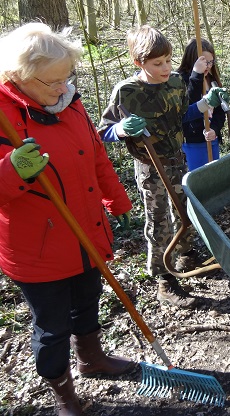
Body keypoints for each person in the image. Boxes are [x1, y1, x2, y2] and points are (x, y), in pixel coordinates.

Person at [0, 22, 136, 415]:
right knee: (52, 326)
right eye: (53, 82)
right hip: (37, 247)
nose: (64, 88)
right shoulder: (4, 117)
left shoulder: (69, 101)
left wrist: (117, 200)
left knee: (87, 302)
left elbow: (93, 154)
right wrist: (12, 170)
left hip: (84, 229)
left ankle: (92, 359)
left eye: (67, 78)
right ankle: (63, 395)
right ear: (18, 77)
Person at [99, 25, 229, 308]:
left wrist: (205, 104)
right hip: (150, 165)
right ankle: (163, 280)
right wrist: (121, 129)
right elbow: (102, 132)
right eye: (158, 64)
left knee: (184, 210)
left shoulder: (175, 83)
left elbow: (183, 115)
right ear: (139, 62)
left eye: (168, 61)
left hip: (177, 158)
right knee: (159, 221)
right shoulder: (127, 91)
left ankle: (185, 255)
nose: (165, 67)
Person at [176, 38, 226, 169]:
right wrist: (196, 76)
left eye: (211, 62)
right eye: (205, 62)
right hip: (192, 143)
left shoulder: (212, 80)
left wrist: (215, 129)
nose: (209, 66)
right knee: (198, 180)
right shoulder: (179, 80)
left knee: (213, 176)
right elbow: (187, 107)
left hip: (211, 140)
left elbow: (220, 112)